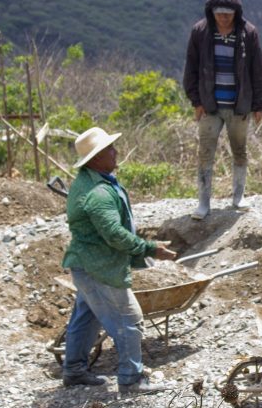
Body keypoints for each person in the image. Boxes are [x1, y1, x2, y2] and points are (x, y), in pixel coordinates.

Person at [61, 126, 177, 392]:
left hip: (85, 264)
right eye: (109, 149)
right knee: (129, 318)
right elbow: (114, 234)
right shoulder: (98, 194)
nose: (115, 152)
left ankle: (74, 370)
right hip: (99, 267)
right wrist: (150, 248)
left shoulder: (88, 181)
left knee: (86, 316)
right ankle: (131, 378)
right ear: (95, 158)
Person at [183, 0, 262, 220]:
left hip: (239, 105)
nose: (223, 18)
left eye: (228, 14)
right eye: (219, 13)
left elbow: (258, 69)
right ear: (211, 11)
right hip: (209, 105)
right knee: (205, 153)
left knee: (239, 150)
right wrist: (196, 101)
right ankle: (203, 202)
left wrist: (259, 104)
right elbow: (191, 68)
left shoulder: (248, 33)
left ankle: (238, 197)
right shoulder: (200, 32)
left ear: (236, 13)